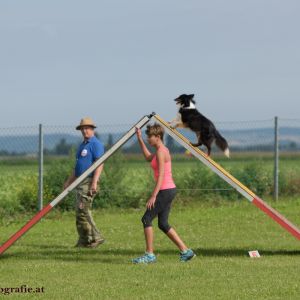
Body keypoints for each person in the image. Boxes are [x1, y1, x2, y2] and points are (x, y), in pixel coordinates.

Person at [132, 123, 195, 263]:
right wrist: (140, 139)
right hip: (168, 189)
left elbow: (160, 175)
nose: (148, 139)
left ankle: (149, 255)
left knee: (146, 219)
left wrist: (154, 195)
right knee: (163, 223)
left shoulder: (161, 152)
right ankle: (186, 251)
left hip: (165, 190)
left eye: (150, 137)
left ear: (158, 137)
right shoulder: (159, 150)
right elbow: (148, 157)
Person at [64, 117, 105, 248]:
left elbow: (99, 164)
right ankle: (84, 239)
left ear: (92, 129)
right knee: (79, 211)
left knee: (83, 209)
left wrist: (94, 182)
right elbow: (77, 167)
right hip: (80, 182)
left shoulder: (96, 144)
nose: (84, 131)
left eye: (87, 128)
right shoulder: (82, 145)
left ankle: (96, 237)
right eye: (82, 129)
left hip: (89, 181)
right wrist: (69, 181)